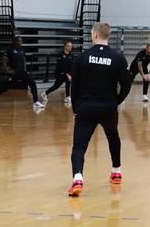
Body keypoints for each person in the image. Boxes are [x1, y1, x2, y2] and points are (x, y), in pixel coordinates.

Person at [68, 22, 130, 197]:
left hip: (86, 108)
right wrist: (116, 101)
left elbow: (75, 87)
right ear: (107, 35)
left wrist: (75, 109)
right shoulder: (118, 58)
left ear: (95, 35)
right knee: (113, 137)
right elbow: (126, 85)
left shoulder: (82, 57)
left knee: (79, 146)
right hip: (108, 108)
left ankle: (77, 178)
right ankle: (116, 172)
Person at [0, 36, 44, 110]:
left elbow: (24, 60)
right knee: (6, 87)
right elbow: (4, 59)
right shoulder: (10, 50)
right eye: (18, 41)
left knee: (32, 83)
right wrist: (7, 70)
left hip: (22, 72)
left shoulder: (22, 50)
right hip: (14, 73)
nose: (20, 43)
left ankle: (36, 102)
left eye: (21, 41)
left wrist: (25, 69)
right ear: (14, 42)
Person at [45, 40, 76, 106]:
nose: (70, 47)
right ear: (64, 46)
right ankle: (67, 97)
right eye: (68, 46)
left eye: (71, 46)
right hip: (59, 73)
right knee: (58, 85)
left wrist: (70, 74)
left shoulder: (72, 55)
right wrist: (67, 74)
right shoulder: (60, 54)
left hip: (67, 74)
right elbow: (62, 65)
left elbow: (72, 66)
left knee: (62, 84)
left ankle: (67, 97)